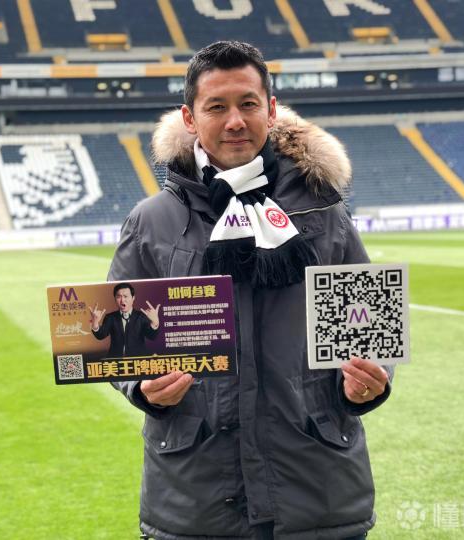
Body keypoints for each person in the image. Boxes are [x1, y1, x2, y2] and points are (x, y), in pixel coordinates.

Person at [107, 41, 393, 539]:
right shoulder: (151, 221)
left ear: (271, 110)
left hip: (317, 487)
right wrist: (142, 387)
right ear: (190, 118)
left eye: (248, 104)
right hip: (197, 495)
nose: (235, 121)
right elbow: (118, 340)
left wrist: (371, 380)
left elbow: (369, 330)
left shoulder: (324, 212)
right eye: (216, 107)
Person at [90, 282, 160, 358]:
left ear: (133, 298)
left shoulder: (141, 316)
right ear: (115, 299)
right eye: (119, 297)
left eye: (125, 296)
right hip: (116, 360)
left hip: (138, 360)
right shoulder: (110, 317)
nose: (122, 300)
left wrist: (155, 322)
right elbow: (101, 335)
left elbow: (151, 336)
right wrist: (95, 323)